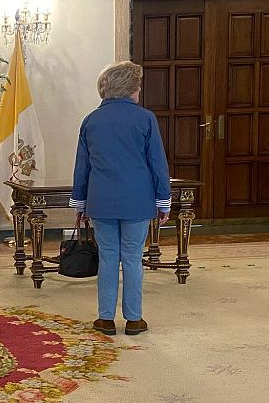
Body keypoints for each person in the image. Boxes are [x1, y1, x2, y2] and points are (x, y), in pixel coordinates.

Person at [70, 61, 170, 336]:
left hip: (100, 202)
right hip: (138, 201)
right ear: (130, 88)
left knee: (108, 258)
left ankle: (105, 319)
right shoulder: (146, 118)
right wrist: (164, 200)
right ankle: (134, 319)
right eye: (137, 86)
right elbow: (157, 164)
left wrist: (79, 203)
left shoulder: (90, 120)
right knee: (133, 258)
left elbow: (82, 167)